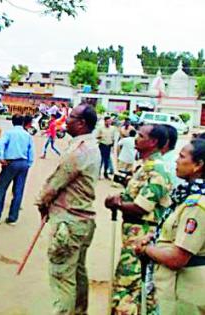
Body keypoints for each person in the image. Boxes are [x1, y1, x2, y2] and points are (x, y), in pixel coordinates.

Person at [36, 103, 100, 315]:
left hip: (69, 222)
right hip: (83, 221)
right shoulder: (92, 146)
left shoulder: (79, 150)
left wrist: (42, 203)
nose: (67, 120)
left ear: (81, 123)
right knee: (77, 273)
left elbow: (55, 183)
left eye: (71, 117)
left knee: (62, 276)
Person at [105, 124, 173, 315]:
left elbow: (142, 206)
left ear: (153, 142)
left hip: (142, 239)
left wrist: (116, 204)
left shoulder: (157, 170)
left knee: (129, 286)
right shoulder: (143, 167)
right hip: (132, 236)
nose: (136, 138)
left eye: (140, 136)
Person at [134, 139, 205, 315]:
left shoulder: (196, 205)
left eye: (182, 157)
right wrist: (154, 239)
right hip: (176, 288)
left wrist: (147, 250)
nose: (176, 161)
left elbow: (178, 258)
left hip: (186, 291)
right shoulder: (186, 196)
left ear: (198, 165)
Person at [0, 114, 34, 225]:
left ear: (12, 122)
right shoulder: (27, 135)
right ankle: (13, 217)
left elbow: (0, 145)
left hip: (10, 163)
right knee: (18, 191)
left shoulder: (9, 133)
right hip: (23, 163)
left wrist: (0, 158)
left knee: (1, 188)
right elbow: (31, 152)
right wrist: (28, 163)